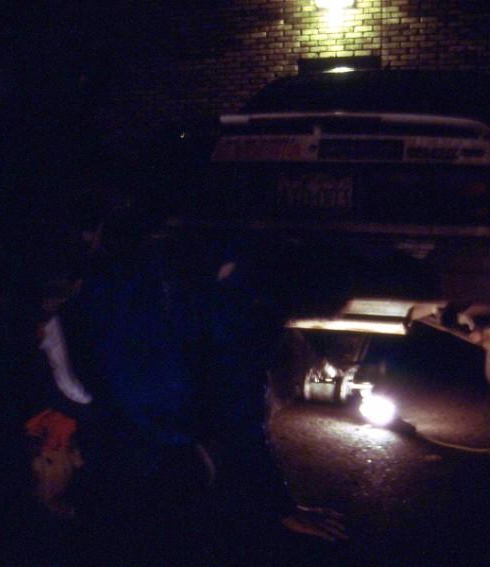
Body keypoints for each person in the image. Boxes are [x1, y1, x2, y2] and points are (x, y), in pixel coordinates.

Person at [44, 189, 351, 565]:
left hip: (82, 357)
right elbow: (238, 416)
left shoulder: (220, 255)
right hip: (112, 395)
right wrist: (279, 506)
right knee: (170, 487)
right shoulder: (248, 311)